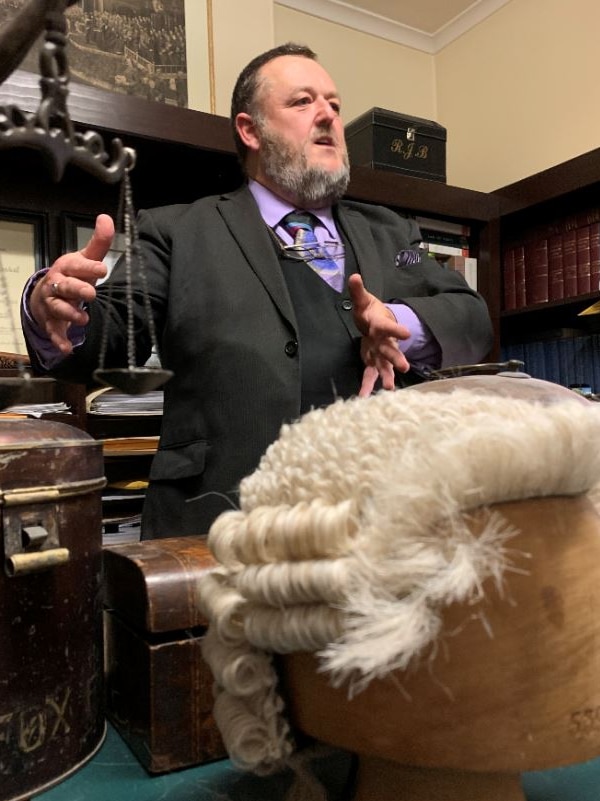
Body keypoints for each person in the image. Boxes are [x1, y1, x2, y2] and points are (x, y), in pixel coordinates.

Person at [21, 42, 493, 539]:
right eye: (303, 102)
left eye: (334, 104)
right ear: (250, 130)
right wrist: (56, 308)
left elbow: (471, 318)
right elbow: (114, 334)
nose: (328, 116)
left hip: (385, 531)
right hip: (223, 526)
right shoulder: (175, 231)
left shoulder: (392, 232)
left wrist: (403, 322)